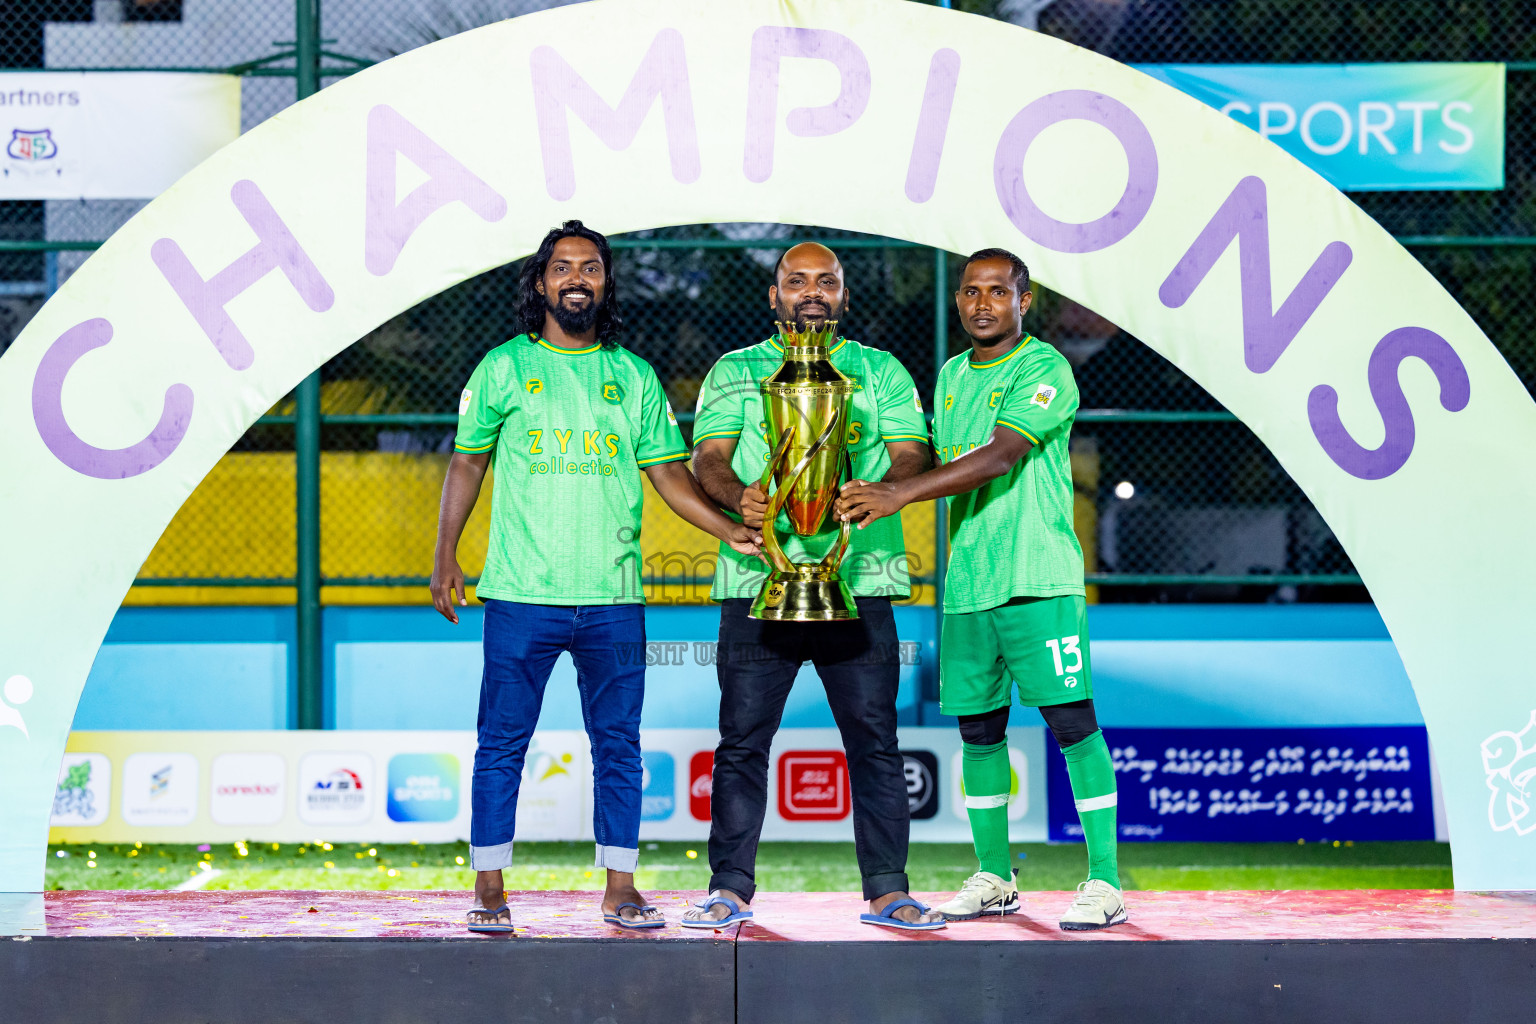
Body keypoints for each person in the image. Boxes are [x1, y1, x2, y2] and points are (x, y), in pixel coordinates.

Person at [429, 220, 761, 934]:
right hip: (521, 593)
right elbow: (467, 463)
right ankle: (489, 887)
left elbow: (669, 476)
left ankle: (621, 888)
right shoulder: (502, 369)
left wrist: (729, 527)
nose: (576, 279)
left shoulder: (633, 375)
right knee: (501, 743)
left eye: (590, 268)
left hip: (613, 598)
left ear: (605, 283)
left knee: (618, 745)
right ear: (541, 282)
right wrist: (445, 554)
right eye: (562, 268)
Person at [837, 248, 1126, 931]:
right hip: (967, 584)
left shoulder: (1043, 367)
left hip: (1036, 576)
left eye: (999, 291)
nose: (983, 302)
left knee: (1072, 724)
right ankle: (995, 877)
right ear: (959, 300)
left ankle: (1107, 882)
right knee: (979, 732)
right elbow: (937, 459)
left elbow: (999, 455)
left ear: (1023, 301)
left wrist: (898, 494)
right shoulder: (951, 376)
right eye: (971, 291)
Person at [682, 242, 944, 931]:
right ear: (774, 296)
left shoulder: (879, 371)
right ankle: (729, 889)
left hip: (861, 578)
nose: (811, 291)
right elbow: (707, 458)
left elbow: (912, 448)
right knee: (742, 741)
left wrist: (892, 484)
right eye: (796, 280)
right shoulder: (736, 371)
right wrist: (737, 496)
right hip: (757, 579)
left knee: (875, 740)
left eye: (826, 280)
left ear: (845, 295)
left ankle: (888, 890)